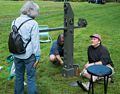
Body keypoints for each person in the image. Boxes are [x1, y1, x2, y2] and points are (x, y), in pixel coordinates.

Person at [12, 1, 40, 94]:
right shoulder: (33, 23)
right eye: (36, 11)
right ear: (30, 10)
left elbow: (13, 39)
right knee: (31, 77)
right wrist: (37, 56)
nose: (37, 13)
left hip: (16, 54)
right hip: (29, 55)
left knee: (19, 76)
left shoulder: (14, 21)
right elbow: (35, 42)